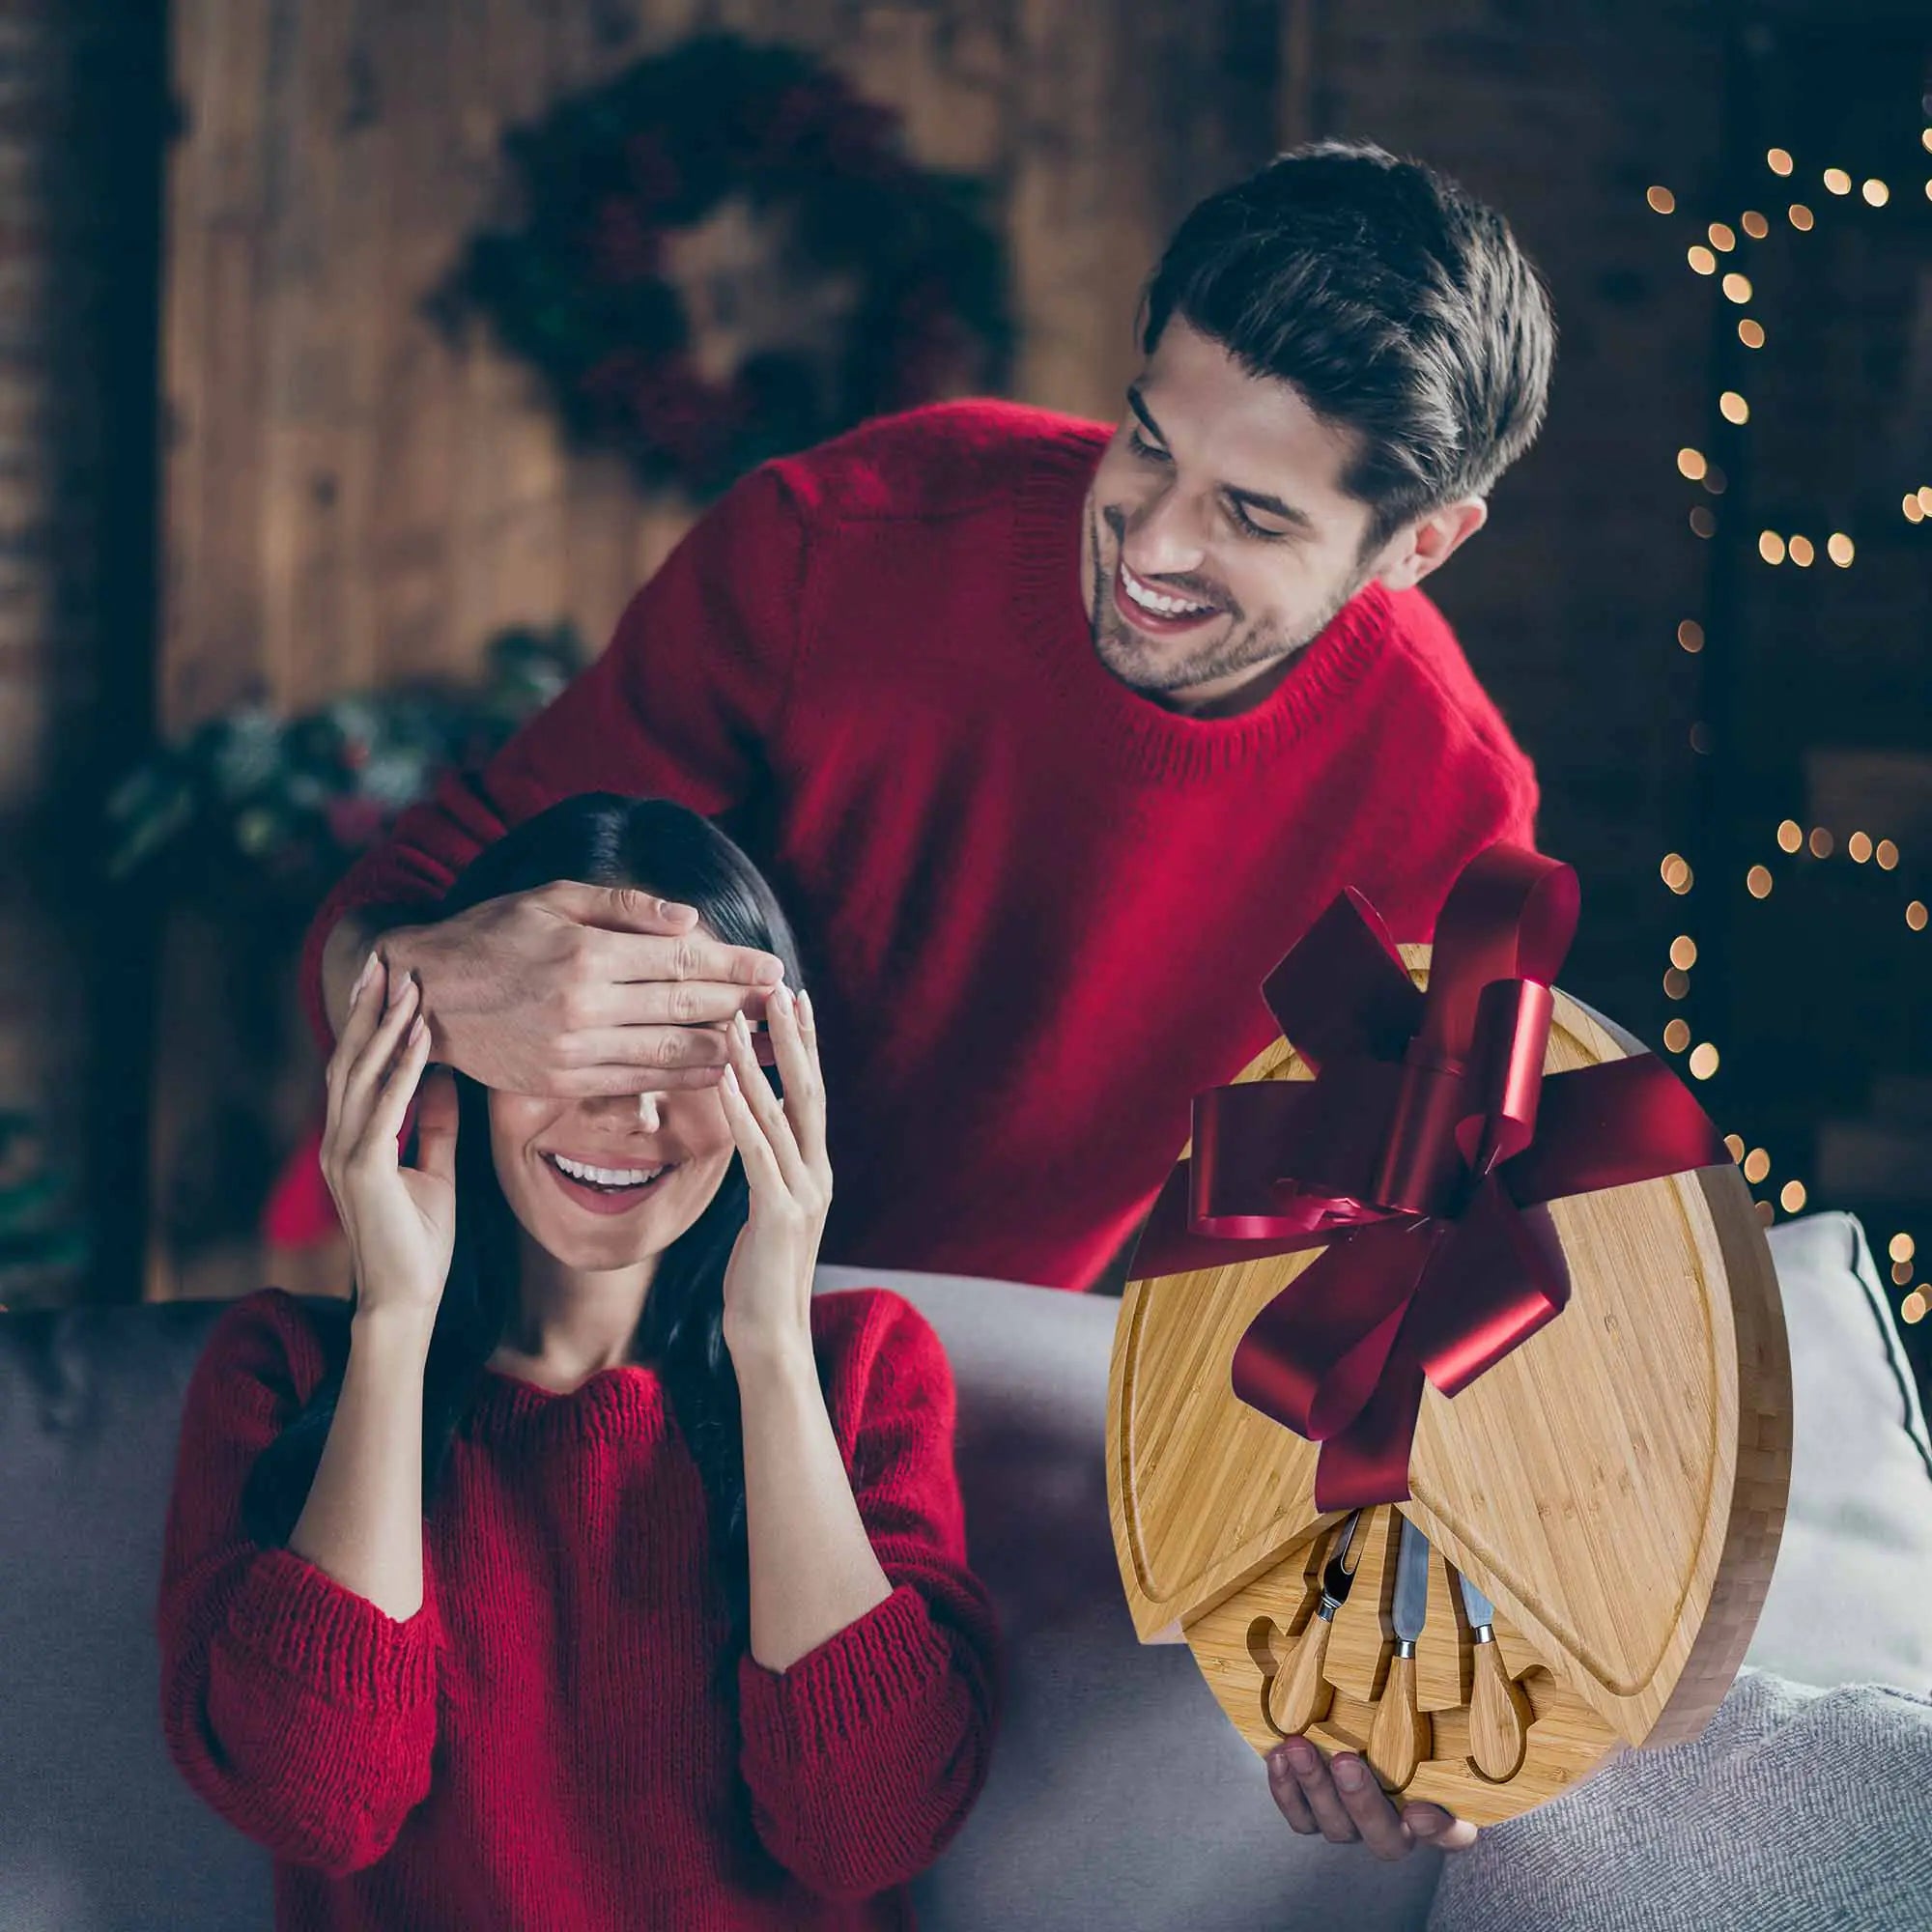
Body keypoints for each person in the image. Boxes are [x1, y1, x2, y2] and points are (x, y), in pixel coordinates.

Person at [296, 137, 1552, 1861]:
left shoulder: (1446, 815)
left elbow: (1382, 1293)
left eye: (1255, 515)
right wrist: (426, 975)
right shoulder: (851, 537)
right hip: (579, 1327)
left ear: (1424, 543)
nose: (1155, 544)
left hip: (936, 1388)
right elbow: (396, 910)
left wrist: (1392, 1647)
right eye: (1150, 443)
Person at [158, 793, 1001, 1932]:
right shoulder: (280, 1367)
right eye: (584, 1042)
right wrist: (397, 1322)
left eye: (688, 1048)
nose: (633, 1108)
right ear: (459, 1051)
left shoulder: (865, 1369)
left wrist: (768, 1349)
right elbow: (314, 1803)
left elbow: (867, 1832)